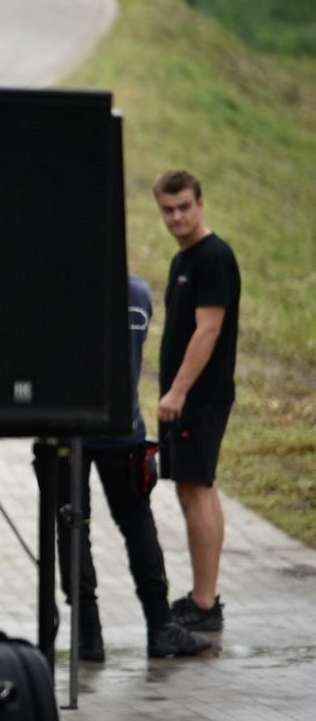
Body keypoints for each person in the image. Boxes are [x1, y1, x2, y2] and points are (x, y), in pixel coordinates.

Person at [34, 277, 211, 661]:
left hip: (66, 430)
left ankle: (89, 637)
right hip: (121, 428)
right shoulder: (137, 294)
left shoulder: (56, 292)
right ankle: (160, 625)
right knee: (137, 526)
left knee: (71, 531)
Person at [154, 169, 240, 633]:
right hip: (189, 397)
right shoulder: (183, 259)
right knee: (199, 487)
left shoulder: (212, 258)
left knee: (195, 489)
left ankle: (205, 603)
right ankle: (204, 597)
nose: (177, 216)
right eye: (168, 209)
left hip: (200, 397)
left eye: (184, 206)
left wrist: (179, 391)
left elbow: (209, 330)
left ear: (201, 203)